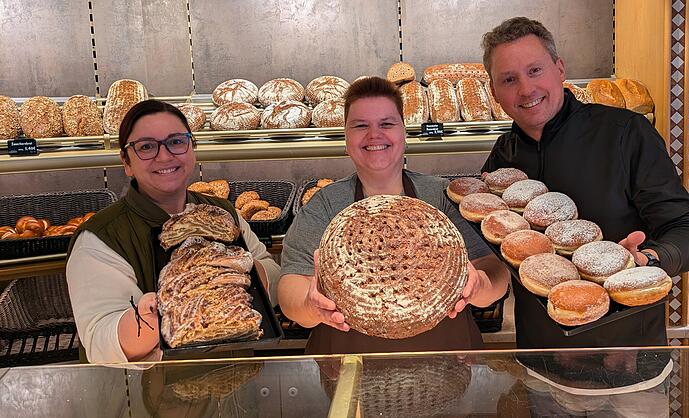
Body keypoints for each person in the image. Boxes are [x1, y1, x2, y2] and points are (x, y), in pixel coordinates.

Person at [480, 17, 689, 348]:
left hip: (627, 358)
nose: (526, 89)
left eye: (535, 71)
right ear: (494, 92)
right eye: (509, 79)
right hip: (541, 354)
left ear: (559, 69)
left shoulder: (625, 134)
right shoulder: (504, 157)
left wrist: (646, 259)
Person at [278, 77, 509, 354]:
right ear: (346, 138)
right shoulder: (325, 205)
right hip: (351, 375)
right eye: (360, 125)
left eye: (386, 124)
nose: (374, 135)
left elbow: (496, 274)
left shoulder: (442, 196)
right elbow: (289, 289)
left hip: (444, 363)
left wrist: (479, 285)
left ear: (403, 133)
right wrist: (310, 305)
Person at [66, 100, 280, 363]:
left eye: (176, 141)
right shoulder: (99, 238)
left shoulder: (221, 214)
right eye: (146, 147)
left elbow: (271, 274)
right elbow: (99, 339)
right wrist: (156, 314)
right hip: (151, 395)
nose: (165, 156)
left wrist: (237, 275)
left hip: (235, 379)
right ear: (126, 162)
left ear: (193, 148)